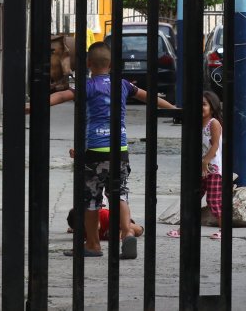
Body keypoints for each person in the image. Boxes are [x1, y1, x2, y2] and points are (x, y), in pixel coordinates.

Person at [41, 41, 175, 259]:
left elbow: (61, 96)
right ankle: (127, 232)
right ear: (111, 64)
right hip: (119, 150)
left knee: (91, 200)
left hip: (95, 151)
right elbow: (149, 97)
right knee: (120, 194)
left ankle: (93, 245)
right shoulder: (122, 85)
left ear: (89, 64)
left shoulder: (87, 86)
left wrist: (33, 105)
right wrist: (176, 110)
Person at [166, 91, 225, 240]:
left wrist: (205, 161)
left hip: (213, 169)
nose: (200, 107)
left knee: (214, 200)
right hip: (199, 168)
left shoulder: (214, 123)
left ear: (212, 108)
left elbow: (215, 145)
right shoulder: (196, 123)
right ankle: (183, 229)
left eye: (204, 104)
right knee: (192, 199)